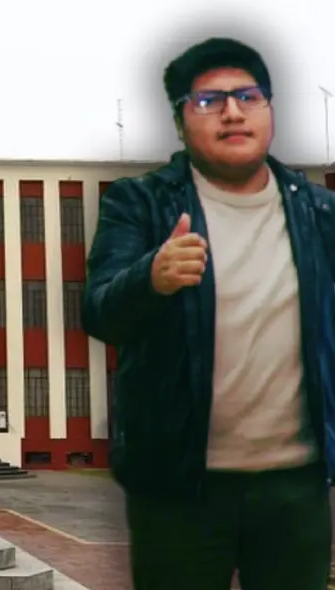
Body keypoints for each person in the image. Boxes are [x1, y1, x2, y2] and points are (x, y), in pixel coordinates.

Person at [82, 36, 335, 589]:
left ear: (270, 109)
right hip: (178, 487)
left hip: (297, 487)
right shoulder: (140, 204)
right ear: (179, 121)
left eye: (249, 96)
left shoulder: (321, 213)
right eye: (208, 101)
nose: (232, 112)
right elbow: (100, 312)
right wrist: (152, 278)